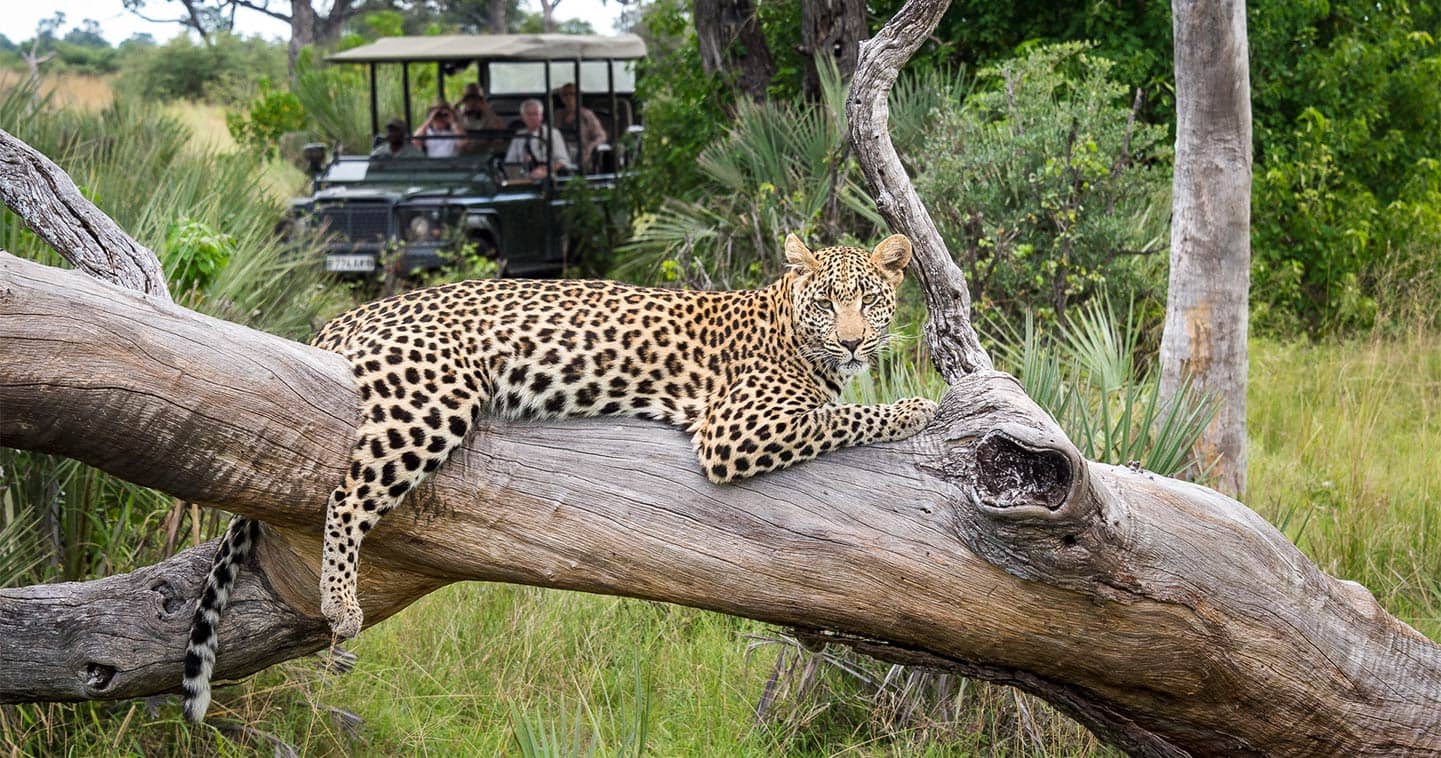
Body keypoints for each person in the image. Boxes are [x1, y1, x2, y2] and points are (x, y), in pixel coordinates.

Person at [503, 98, 571, 179]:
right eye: (528, 114)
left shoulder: (553, 133)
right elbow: (510, 162)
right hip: (524, 177)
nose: (532, 117)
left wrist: (545, 171)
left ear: (541, 116)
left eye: (535, 114)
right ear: (522, 117)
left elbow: (563, 161)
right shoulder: (519, 135)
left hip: (548, 177)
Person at [554, 83, 607, 172]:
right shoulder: (557, 115)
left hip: (581, 153)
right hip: (560, 153)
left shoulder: (587, 115)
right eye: (565, 94)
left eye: (572, 94)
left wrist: (590, 147)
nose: (569, 97)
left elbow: (601, 136)